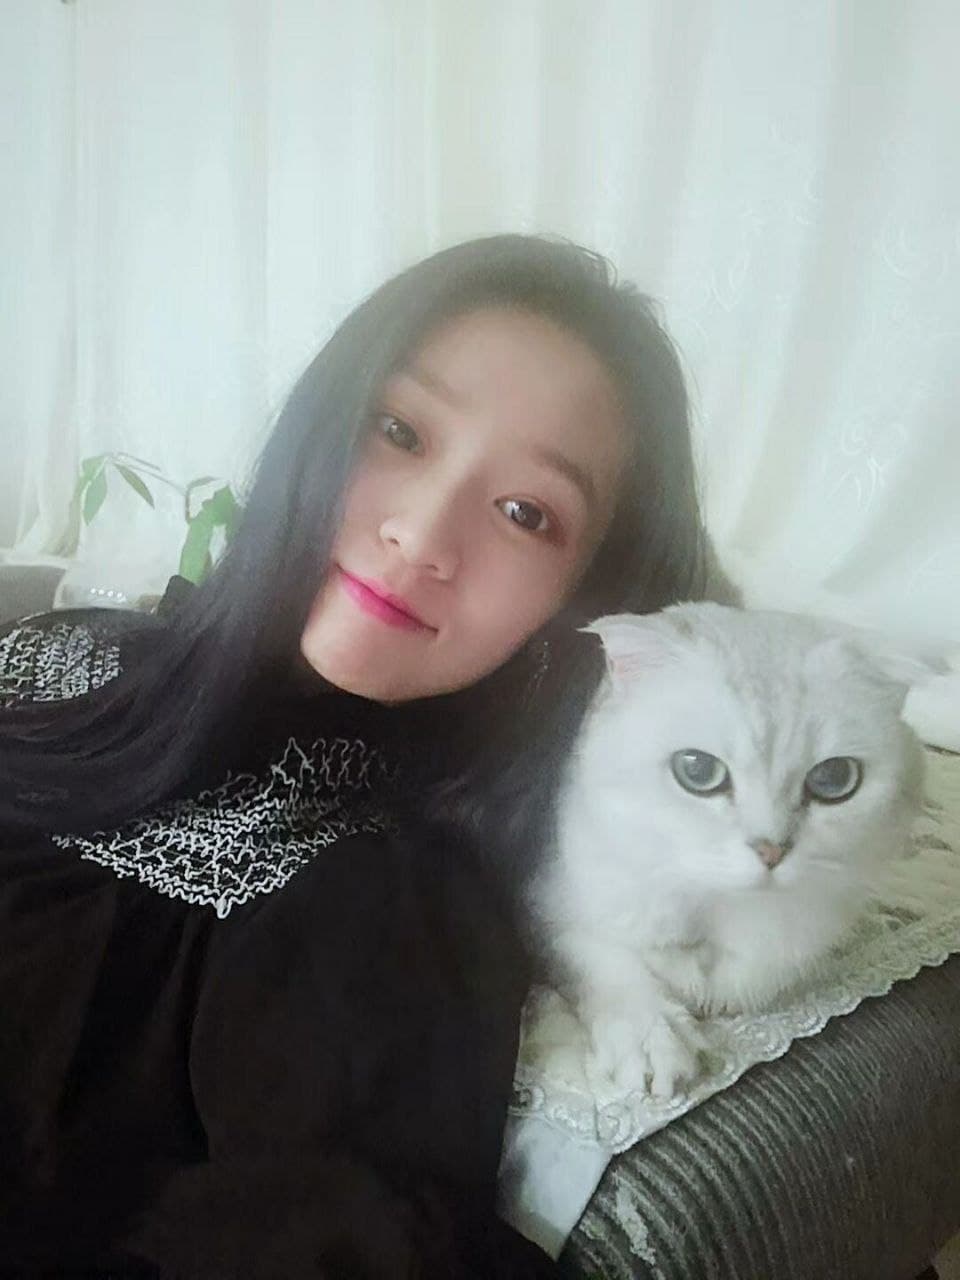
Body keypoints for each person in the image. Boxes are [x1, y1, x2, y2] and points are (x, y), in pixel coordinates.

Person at [0, 234, 705, 1276]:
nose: (422, 535)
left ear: (580, 602)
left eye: (526, 513)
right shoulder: (53, 652)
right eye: (400, 430)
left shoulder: (383, 901)